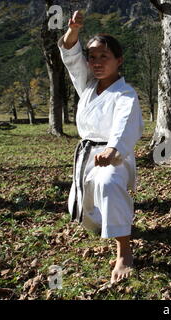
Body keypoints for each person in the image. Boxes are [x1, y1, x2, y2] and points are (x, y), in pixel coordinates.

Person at [58, 11, 144, 284]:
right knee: (85, 212)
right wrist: (74, 30)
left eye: (103, 57)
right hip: (86, 156)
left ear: (118, 61)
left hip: (112, 156)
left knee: (108, 184)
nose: (96, 62)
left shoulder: (125, 93)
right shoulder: (87, 85)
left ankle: (124, 252)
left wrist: (113, 149)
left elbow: (125, 123)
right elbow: (71, 58)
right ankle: (107, 221)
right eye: (92, 57)